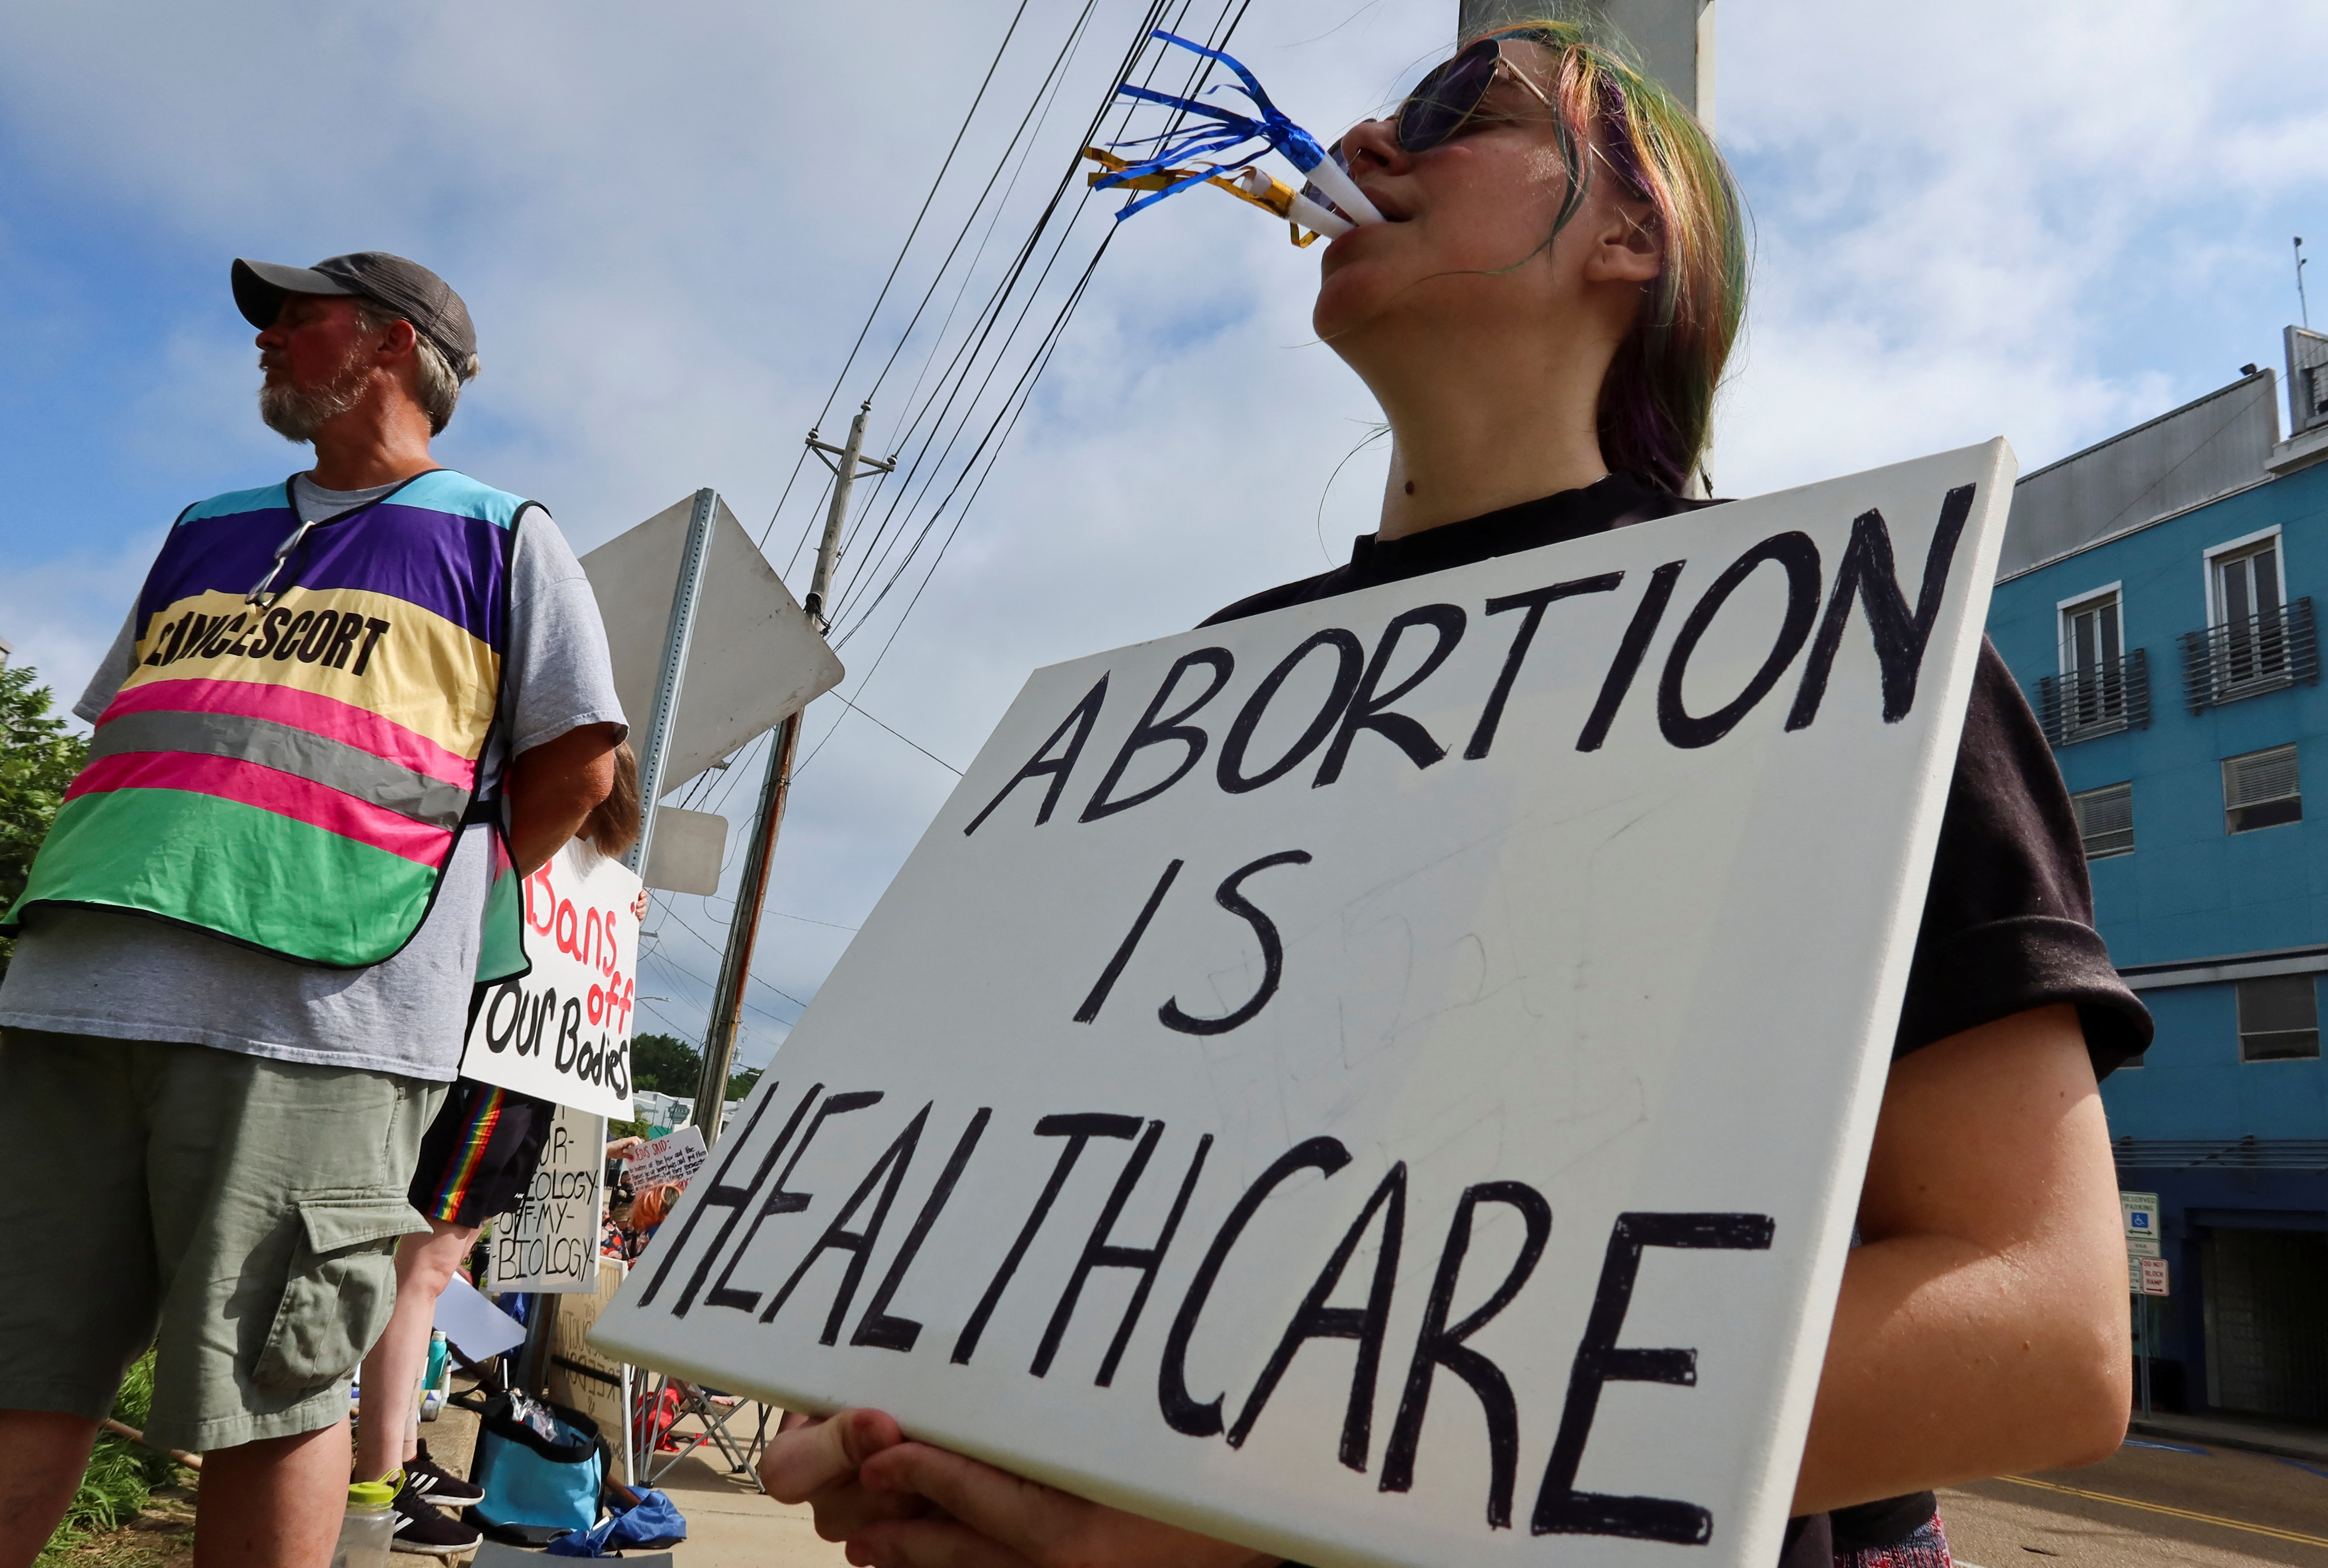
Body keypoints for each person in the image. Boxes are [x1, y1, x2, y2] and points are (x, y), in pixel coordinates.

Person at [757, 22, 2150, 1568]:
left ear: (1634, 233)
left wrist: (1234, 1508)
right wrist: (894, 1418)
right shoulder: (1204, 697)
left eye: (1453, 115)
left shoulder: (1846, 642)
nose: (1361, 142)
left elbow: (2043, 1325)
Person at [0, 252, 626, 1568]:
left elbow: (578, 766)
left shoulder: (503, 535)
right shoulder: (205, 525)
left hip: (320, 1019)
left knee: (271, 1398)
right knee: (21, 1363)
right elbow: (132, 715)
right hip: (75, 982)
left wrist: (401, 890)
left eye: (299, 313)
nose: (269, 336)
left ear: (395, 343)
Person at [351, 742, 642, 1554]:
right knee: (426, 1270)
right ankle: (384, 1475)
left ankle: (400, 1454)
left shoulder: (585, 870)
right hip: (489, 1072)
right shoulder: (509, 833)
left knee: (439, 1269)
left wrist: (619, 917)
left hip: (522, 1075)